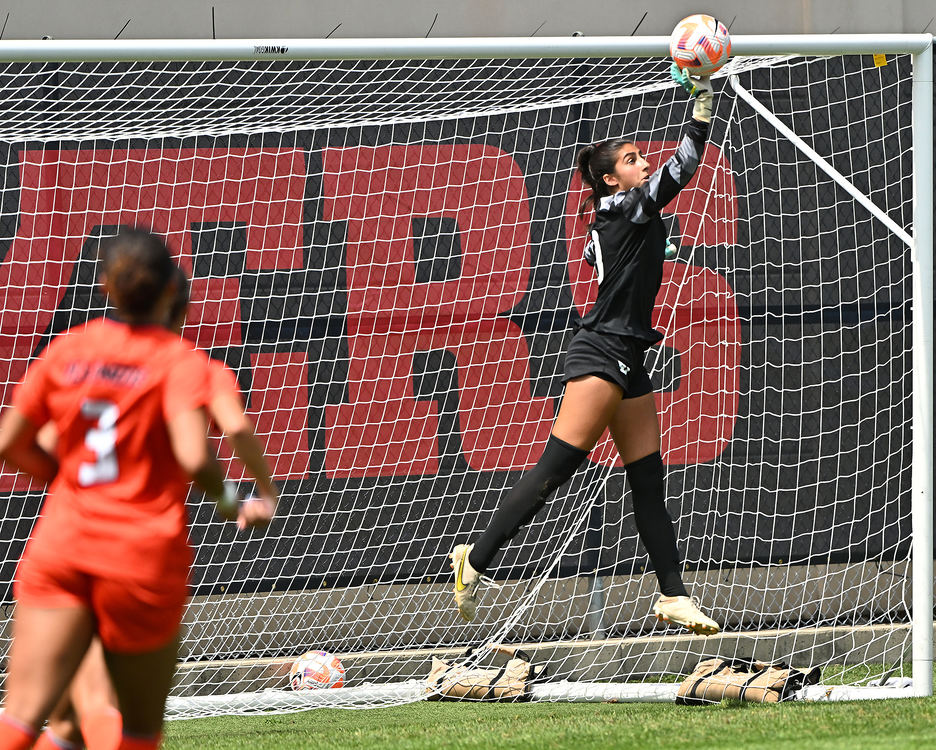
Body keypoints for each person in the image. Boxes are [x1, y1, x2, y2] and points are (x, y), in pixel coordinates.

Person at [450, 65, 720, 636]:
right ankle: (475, 559)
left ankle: (672, 595)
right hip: (600, 352)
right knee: (559, 467)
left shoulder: (626, 211)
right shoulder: (626, 208)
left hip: (629, 354)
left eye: (640, 156)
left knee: (647, 479)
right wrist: (700, 101)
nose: (643, 161)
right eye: (631, 160)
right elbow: (684, 168)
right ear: (610, 182)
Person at [0, 229, 274, 750]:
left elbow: (14, 442)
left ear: (104, 286)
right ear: (173, 290)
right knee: (134, 729)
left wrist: (64, 480)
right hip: (138, 554)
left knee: (26, 719)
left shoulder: (69, 350)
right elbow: (200, 452)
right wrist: (242, 498)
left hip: (64, 541)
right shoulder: (184, 363)